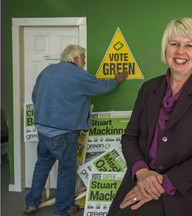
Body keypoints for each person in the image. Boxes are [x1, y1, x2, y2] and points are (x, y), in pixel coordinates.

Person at [108, 17, 192, 216]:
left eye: (189, 45)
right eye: (174, 44)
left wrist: (162, 183)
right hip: (142, 177)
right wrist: (143, 173)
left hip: (185, 188)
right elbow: (130, 137)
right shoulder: (148, 89)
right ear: (166, 49)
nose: (181, 51)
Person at [23, 44, 128, 216]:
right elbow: (101, 86)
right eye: (84, 59)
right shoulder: (78, 75)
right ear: (76, 58)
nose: (85, 62)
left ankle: (31, 203)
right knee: (67, 171)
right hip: (63, 133)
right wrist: (116, 79)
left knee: (42, 166)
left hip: (42, 130)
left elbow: (35, 96)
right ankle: (63, 209)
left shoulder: (47, 71)